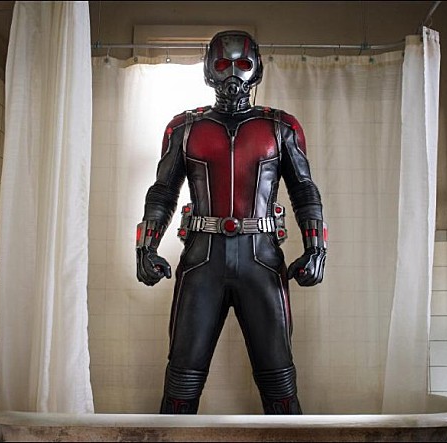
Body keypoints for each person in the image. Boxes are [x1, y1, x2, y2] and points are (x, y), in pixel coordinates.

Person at [136, 30, 327, 415]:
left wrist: (316, 248)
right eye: (223, 64)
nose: (233, 74)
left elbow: (304, 189)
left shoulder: (281, 126)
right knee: (181, 383)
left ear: (257, 69)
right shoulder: (184, 127)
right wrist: (146, 246)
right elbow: (163, 191)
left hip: (261, 262)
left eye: (242, 64)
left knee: (280, 383)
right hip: (202, 263)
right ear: (209, 69)